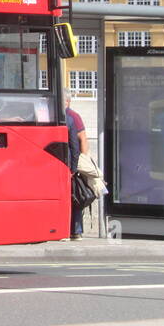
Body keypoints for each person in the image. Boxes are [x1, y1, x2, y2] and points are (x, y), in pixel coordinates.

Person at [65, 89, 90, 240]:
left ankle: (76, 230)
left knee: (75, 196)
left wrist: (80, 163)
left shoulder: (72, 116)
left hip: (73, 164)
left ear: (66, 101)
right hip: (69, 163)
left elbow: (83, 139)